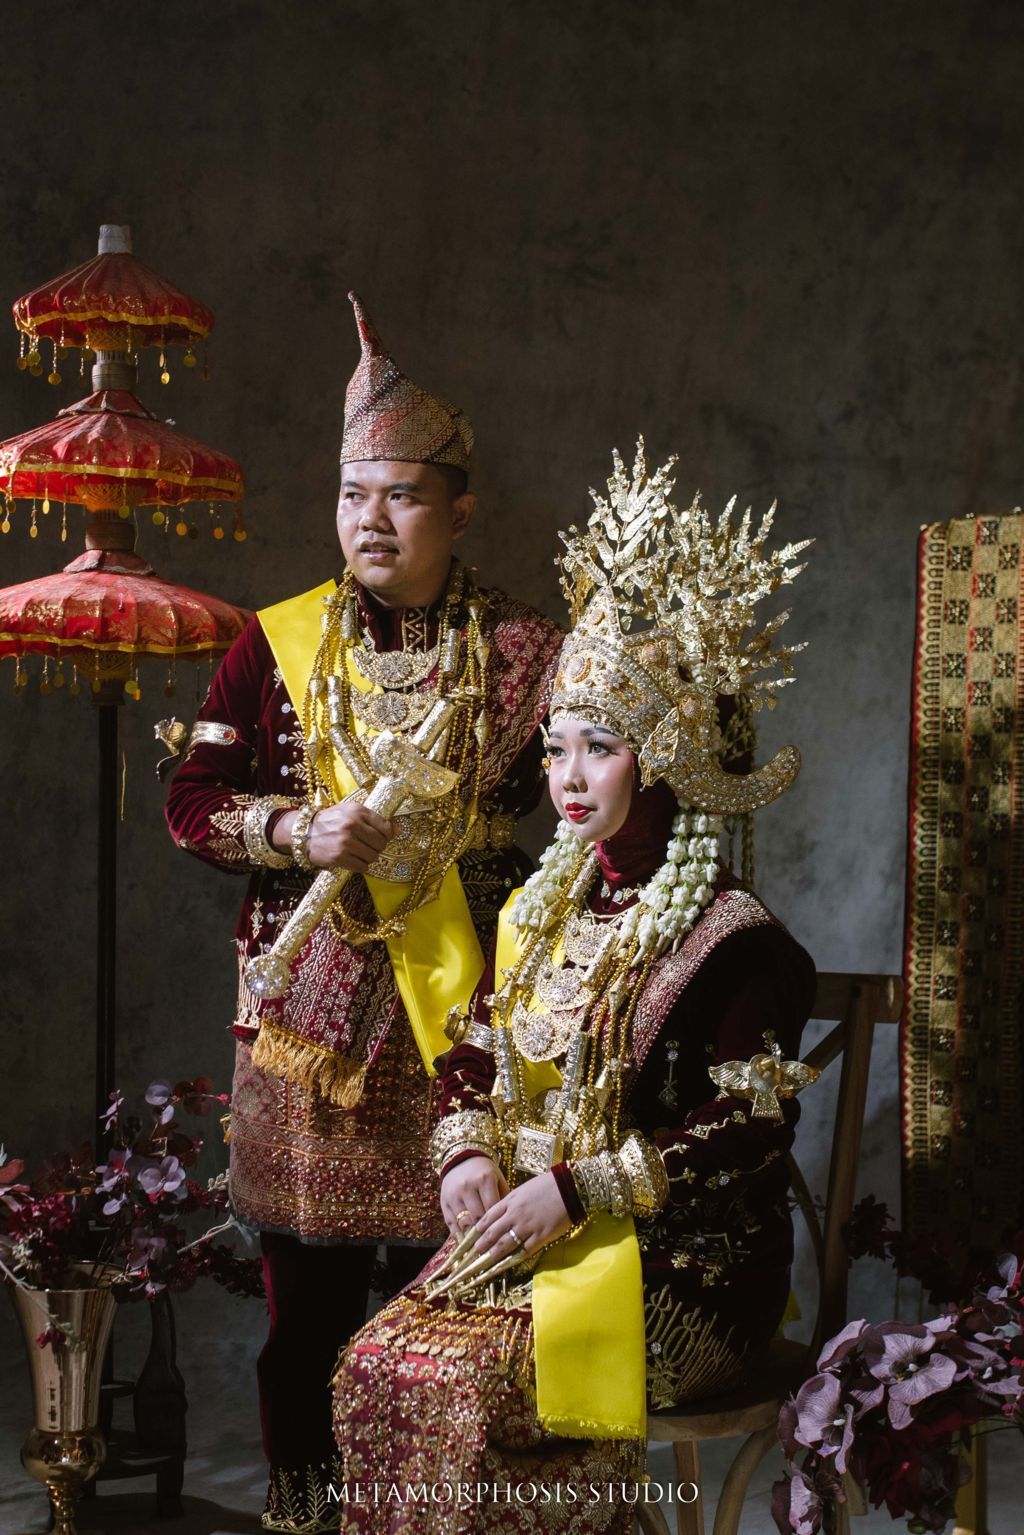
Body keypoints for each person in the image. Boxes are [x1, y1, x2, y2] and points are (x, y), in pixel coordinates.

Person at [331, 443, 818, 1533]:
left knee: (466, 1386)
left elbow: (751, 1126)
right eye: (556, 748)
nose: (567, 776)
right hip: (539, 1229)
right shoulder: (544, 907)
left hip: (687, 1269)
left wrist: (579, 1188)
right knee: (375, 1363)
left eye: (600, 747)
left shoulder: (733, 940)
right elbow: (473, 1047)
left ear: (667, 756)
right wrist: (466, 1152)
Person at [165, 293, 563, 1533]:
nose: (370, 520)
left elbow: (597, 806)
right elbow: (190, 800)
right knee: (308, 1320)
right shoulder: (273, 644)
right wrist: (298, 830)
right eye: (351, 496)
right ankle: (302, 1513)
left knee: (457, 1315)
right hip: (314, 1036)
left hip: (474, 1020)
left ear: (460, 511)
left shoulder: (527, 652)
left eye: (399, 496)